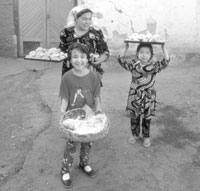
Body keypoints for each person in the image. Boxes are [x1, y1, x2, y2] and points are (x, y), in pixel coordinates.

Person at [59, 43, 102, 188]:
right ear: (70, 59)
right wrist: (62, 112)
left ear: (87, 58)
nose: (79, 60)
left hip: (88, 117)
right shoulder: (67, 77)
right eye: (75, 57)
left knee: (87, 143)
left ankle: (84, 163)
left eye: (82, 57)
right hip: (74, 119)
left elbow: (96, 94)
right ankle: (65, 170)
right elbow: (64, 96)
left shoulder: (93, 76)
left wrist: (99, 109)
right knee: (71, 145)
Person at [118, 42, 170, 147]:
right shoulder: (133, 65)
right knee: (134, 116)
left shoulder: (154, 67)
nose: (144, 55)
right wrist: (126, 47)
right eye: (141, 52)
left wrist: (163, 48)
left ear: (151, 55)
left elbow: (166, 61)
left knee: (147, 118)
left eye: (147, 53)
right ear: (137, 54)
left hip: (148, 96)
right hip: (134, 95)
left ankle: (146, 136)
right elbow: (121, 59)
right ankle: (134, 134)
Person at [59, 5, 109, 86]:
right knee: (71, 96)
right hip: (70, 72)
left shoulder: (96, 32)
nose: (87, 22)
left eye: (89, 19)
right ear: (76, 19)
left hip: (91, 72)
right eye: (84, 19)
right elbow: (61, 51)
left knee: (90, 96)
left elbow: (105, 51)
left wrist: (100, 59)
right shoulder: (66, 32)